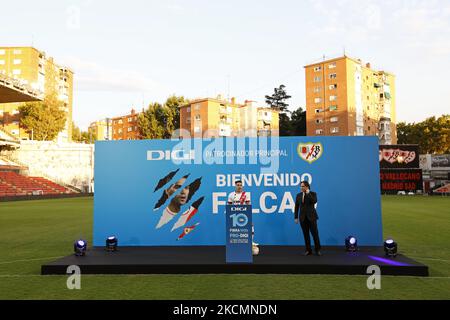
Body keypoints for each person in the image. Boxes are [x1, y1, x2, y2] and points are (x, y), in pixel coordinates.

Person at [294, 181, 322, 256]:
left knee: (315, 234)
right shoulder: (298, 195)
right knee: (306, 235)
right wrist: (296, 217)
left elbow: (314, 201)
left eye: (303, 186)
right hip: (302, 218)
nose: (301, 187)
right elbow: (296, 207)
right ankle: (308, 250)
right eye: (301, 186)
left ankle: (318, 249)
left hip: (312, 218)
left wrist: (308, 193)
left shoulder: (313, 194)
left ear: (307, 187)